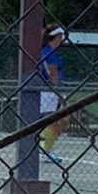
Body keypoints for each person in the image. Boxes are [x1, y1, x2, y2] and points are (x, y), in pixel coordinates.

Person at [39, 26, 70, 167]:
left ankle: (45, 147)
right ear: (55, 36)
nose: (62, 39)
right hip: (49, 91)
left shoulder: (53, 52)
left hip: (53, 90)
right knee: (52, 119)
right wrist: (58, 93)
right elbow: (53, 74)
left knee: (60, 120)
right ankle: (44, 150)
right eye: (60, 36)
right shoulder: (49, 52)